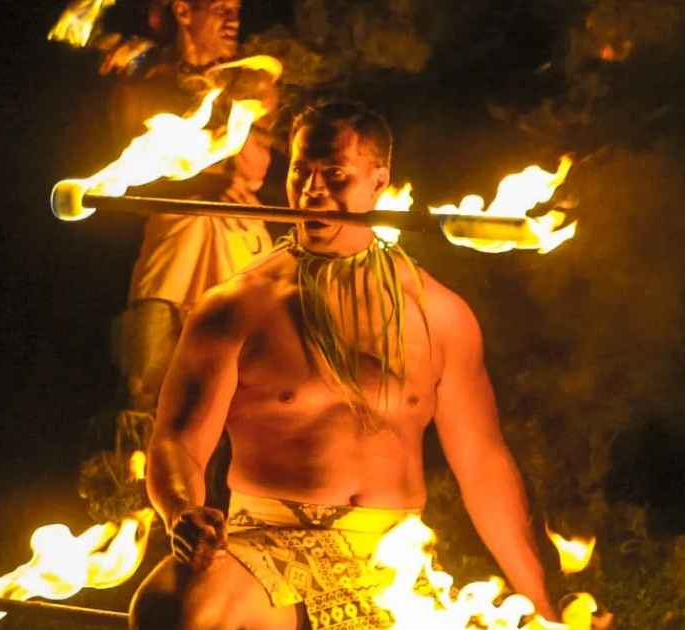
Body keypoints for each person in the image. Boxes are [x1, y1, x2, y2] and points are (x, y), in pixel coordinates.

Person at [129, 101, 559, 629]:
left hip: (389, 558)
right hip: (267, 543)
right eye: (301, 172)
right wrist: (181, 510)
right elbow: (177, 442)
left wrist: (544, 606)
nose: (313, 191)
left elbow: (484, 468)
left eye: (334, 174)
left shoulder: (440, 315)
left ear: (379, 181)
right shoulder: (238, 306)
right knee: (176, 602)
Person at [73, 0, 280, 518]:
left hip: (238, 234)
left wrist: (231, 132)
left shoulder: (251, 79)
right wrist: (210, 176)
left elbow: (255, 162)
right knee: (153, 378)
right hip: (177, 234)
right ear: (184, 11)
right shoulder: (147, 78)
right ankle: (143, 517)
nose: (234, 19)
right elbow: (139, 156)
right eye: (220, 8)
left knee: (254, 371)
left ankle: (248, 510)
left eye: (237, 8)